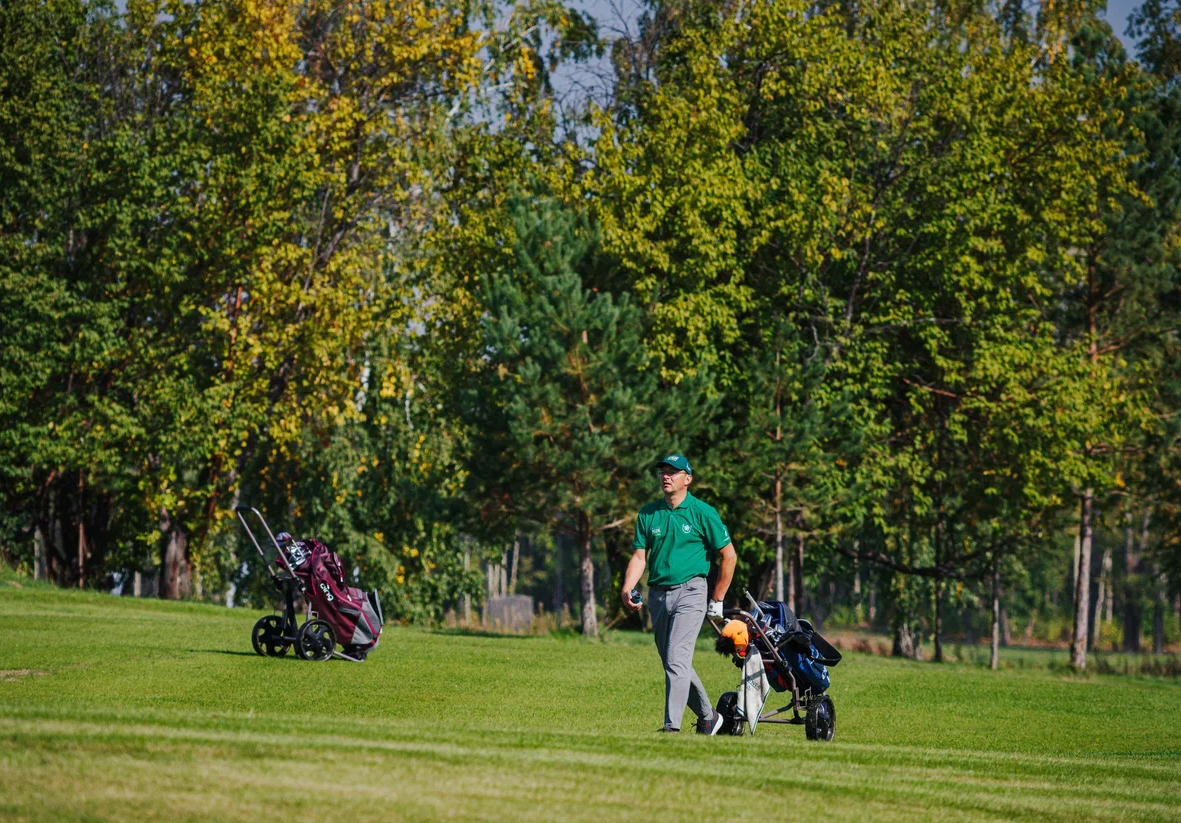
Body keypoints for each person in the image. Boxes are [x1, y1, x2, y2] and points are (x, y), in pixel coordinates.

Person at [622, 453, 737, 734]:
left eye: (673, 472)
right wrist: (627, 588)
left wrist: (718, 599)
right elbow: (639, 557)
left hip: (692, 592)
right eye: (663, 471)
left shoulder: (703, 512)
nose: (666, 476)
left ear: (688, 479)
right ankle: (710, 717)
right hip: (658, 595)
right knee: (675, 662)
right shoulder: (649, 513)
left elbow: (729, 556)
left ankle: (671, 728)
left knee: (676, 659)